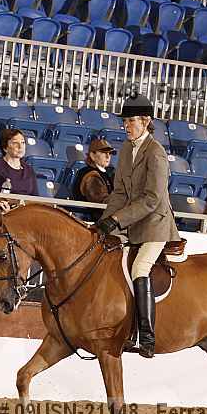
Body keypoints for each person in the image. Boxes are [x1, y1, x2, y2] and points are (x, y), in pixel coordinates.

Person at [96, 94, 179, 359]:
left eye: (131, 121)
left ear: (146, 121)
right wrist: (104, 223)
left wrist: (117, 220)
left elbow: (153, 199)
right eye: (125, 122)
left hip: (155, 224)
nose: (126, 126)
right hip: (132, 222)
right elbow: (120, 193)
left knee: (140, 268)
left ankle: (147, 336)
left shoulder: (156, 153)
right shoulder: (125, 149)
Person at [0, 129, 37, 195]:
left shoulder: (29, 170)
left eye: (23, 142)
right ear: (5, 148)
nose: (20, 147)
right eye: (15, 143)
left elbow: (35, 196)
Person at [72, 138, 115, 204]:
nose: (108, 156)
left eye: (109, 153)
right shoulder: (91, 176)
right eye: (103, 153)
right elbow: (101, 201)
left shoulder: (105, 173)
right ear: (92, 155)